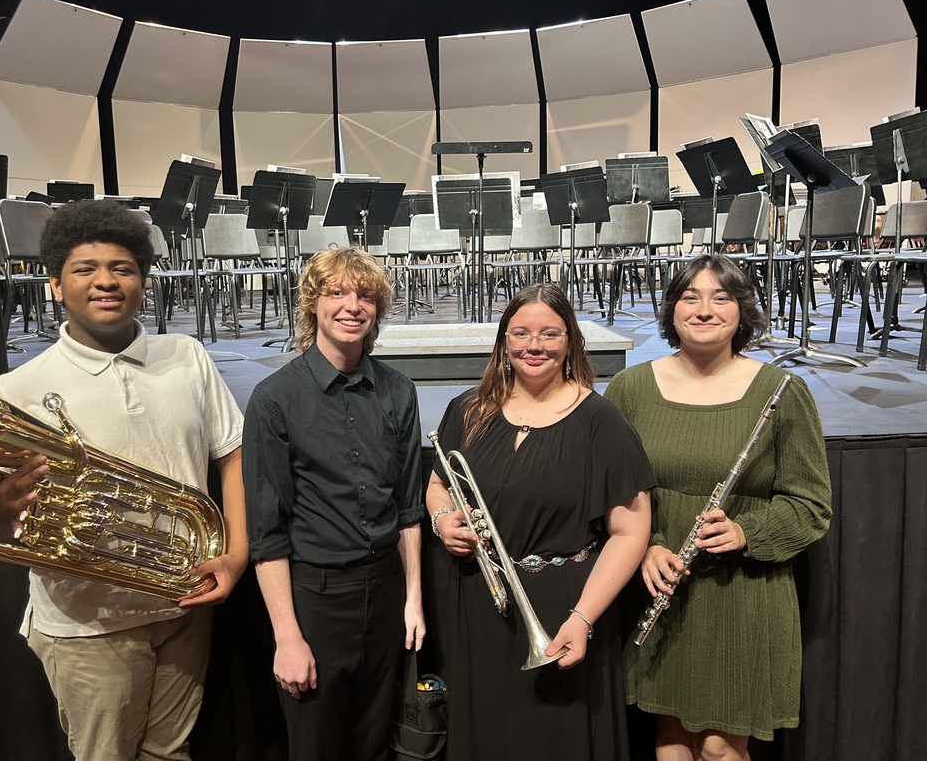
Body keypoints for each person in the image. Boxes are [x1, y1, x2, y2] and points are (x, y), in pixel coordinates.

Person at [0, 199, 248, 761]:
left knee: (170, 753)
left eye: (122, 269)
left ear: (143, 282)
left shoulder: (186, 355)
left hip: (183, 602)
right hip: (88, 622)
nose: (106, 282)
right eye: (85, 269)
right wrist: (0, 504)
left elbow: (232, 456)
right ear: (54, 284)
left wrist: (236, 555)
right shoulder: (21, 388)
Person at [604, 254, 832, 761]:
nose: (704, 310)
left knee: (719, 750)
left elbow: (810, 505)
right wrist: (646, 548)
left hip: (743, 591)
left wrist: (747, 532)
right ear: (671, 310)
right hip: (662, 585)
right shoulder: (630, 389)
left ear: (742, 311)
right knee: (671, 743)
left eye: (721, 298)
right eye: (690, 297)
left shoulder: (782, 392)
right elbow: (610, 495)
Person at [425, 282, 655, 760]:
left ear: (570, 340)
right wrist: (443, 519)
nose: (534, 346)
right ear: (503, 342)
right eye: (521, 333)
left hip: (566, 605)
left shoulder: (599, 420)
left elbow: (631, 531)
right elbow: (439, 484)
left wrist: (583, 618)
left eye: (550, 333)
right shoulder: (468, 410)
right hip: (484, 605)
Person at [243, 246, 425, 761]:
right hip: (317, 598)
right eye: (337, 292)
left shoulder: (398, 390)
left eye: (365, 295)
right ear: (312, 305)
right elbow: (268, 531)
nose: (352, 306)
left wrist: (412, 599)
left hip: (385, 592)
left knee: (376, 744)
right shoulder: (275, 399)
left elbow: (409, 505)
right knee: (317, 747)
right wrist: (288, 637)